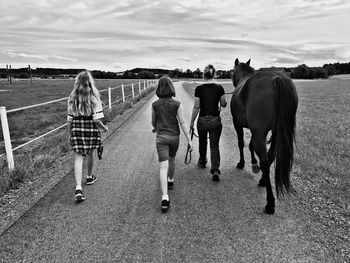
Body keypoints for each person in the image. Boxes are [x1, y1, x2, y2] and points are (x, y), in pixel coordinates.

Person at [152, 76, 192, 212]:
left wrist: (156, 127)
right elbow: (183, 123)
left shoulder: (155, 105)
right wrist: (190, 140)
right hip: (174, 137)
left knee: (163, 166)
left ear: (159, 89)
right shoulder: (177, 104)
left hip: (161, 138)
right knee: (172, 158)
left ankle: (164, 197)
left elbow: (153, 121)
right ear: (171, 88)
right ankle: (171, 180)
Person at [67, 71, 108, 202]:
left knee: (78, 157)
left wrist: (70, 134)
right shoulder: (94, 98)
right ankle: (89, 177)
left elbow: (70, 120)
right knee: (90, 153)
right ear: (90, 82)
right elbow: (96, 119)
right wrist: (104, 127)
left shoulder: (72, 98)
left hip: (77, 129)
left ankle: (78, 188)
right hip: (90, 128)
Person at [190, 64, 227, 182]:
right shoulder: (219, 88)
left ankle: (202, 161)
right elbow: (224, 103)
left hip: (202, 120)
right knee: (214, 145)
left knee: (202, 142)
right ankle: (215, 169)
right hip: (215, 120)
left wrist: (191, 122)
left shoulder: (199, 89)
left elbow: (196, 107)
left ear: (204, 75)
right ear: (214, 74)